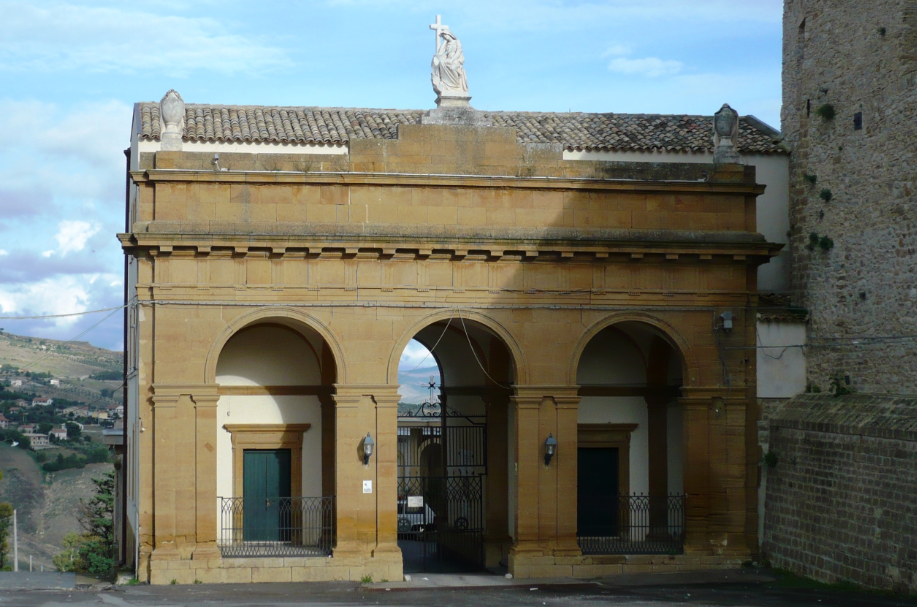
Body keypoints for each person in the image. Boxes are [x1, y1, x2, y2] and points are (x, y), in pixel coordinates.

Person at [431, 31, 468, 96]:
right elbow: (440, 52)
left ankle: (456, 85)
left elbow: (458, 52)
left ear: (449, 34)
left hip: (457, 59)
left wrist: (452, 59)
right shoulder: (447, 44)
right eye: (443, 36)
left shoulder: (457, 42)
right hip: (449, 59)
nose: (444, 37)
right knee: (441, 63)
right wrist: (445, 42)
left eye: (445, 35)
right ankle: (444, 83)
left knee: (452, 68)